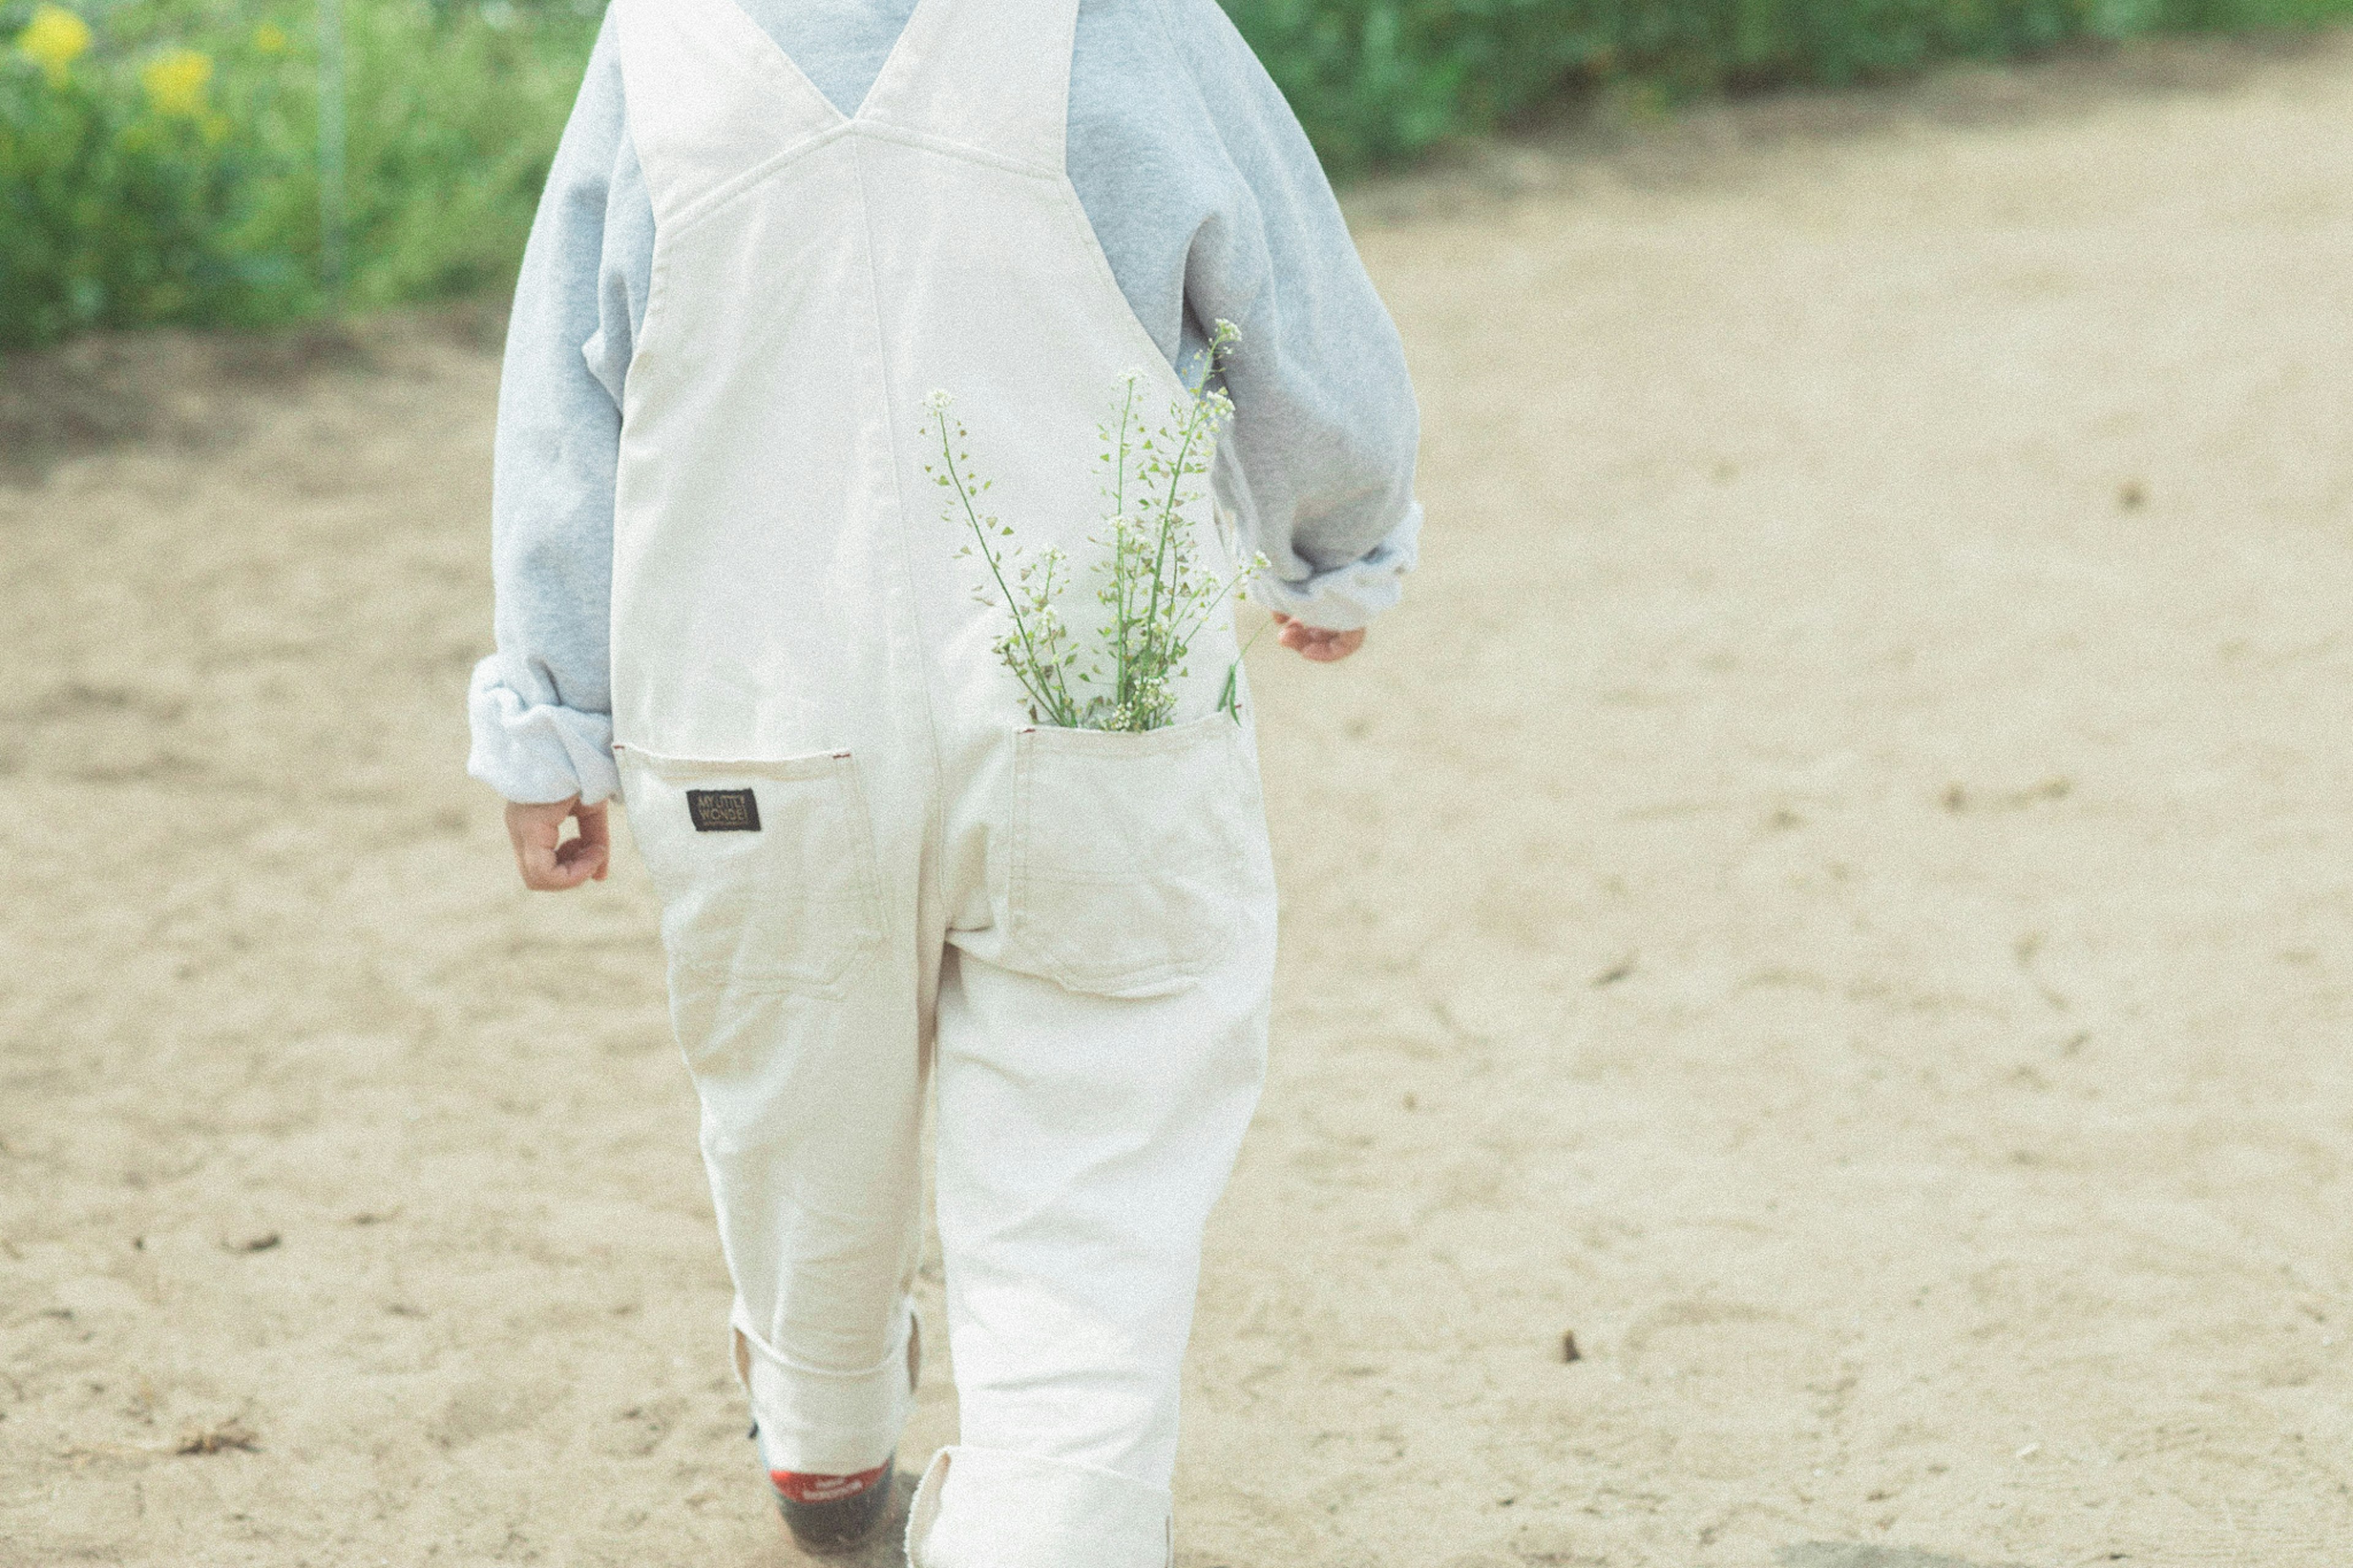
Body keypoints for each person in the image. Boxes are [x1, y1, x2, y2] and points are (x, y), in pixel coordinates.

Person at [467, 0, 1419, 1558]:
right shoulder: (1126, 21)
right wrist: (1332, 546)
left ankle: (826, 1430)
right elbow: (1289, 297)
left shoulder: (663, 44)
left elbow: (574, 396)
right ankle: (1048, 1519)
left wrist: (554, 712)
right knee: (1098, 1142)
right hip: (1091, 700)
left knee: (792, 1100)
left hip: (749, 722)